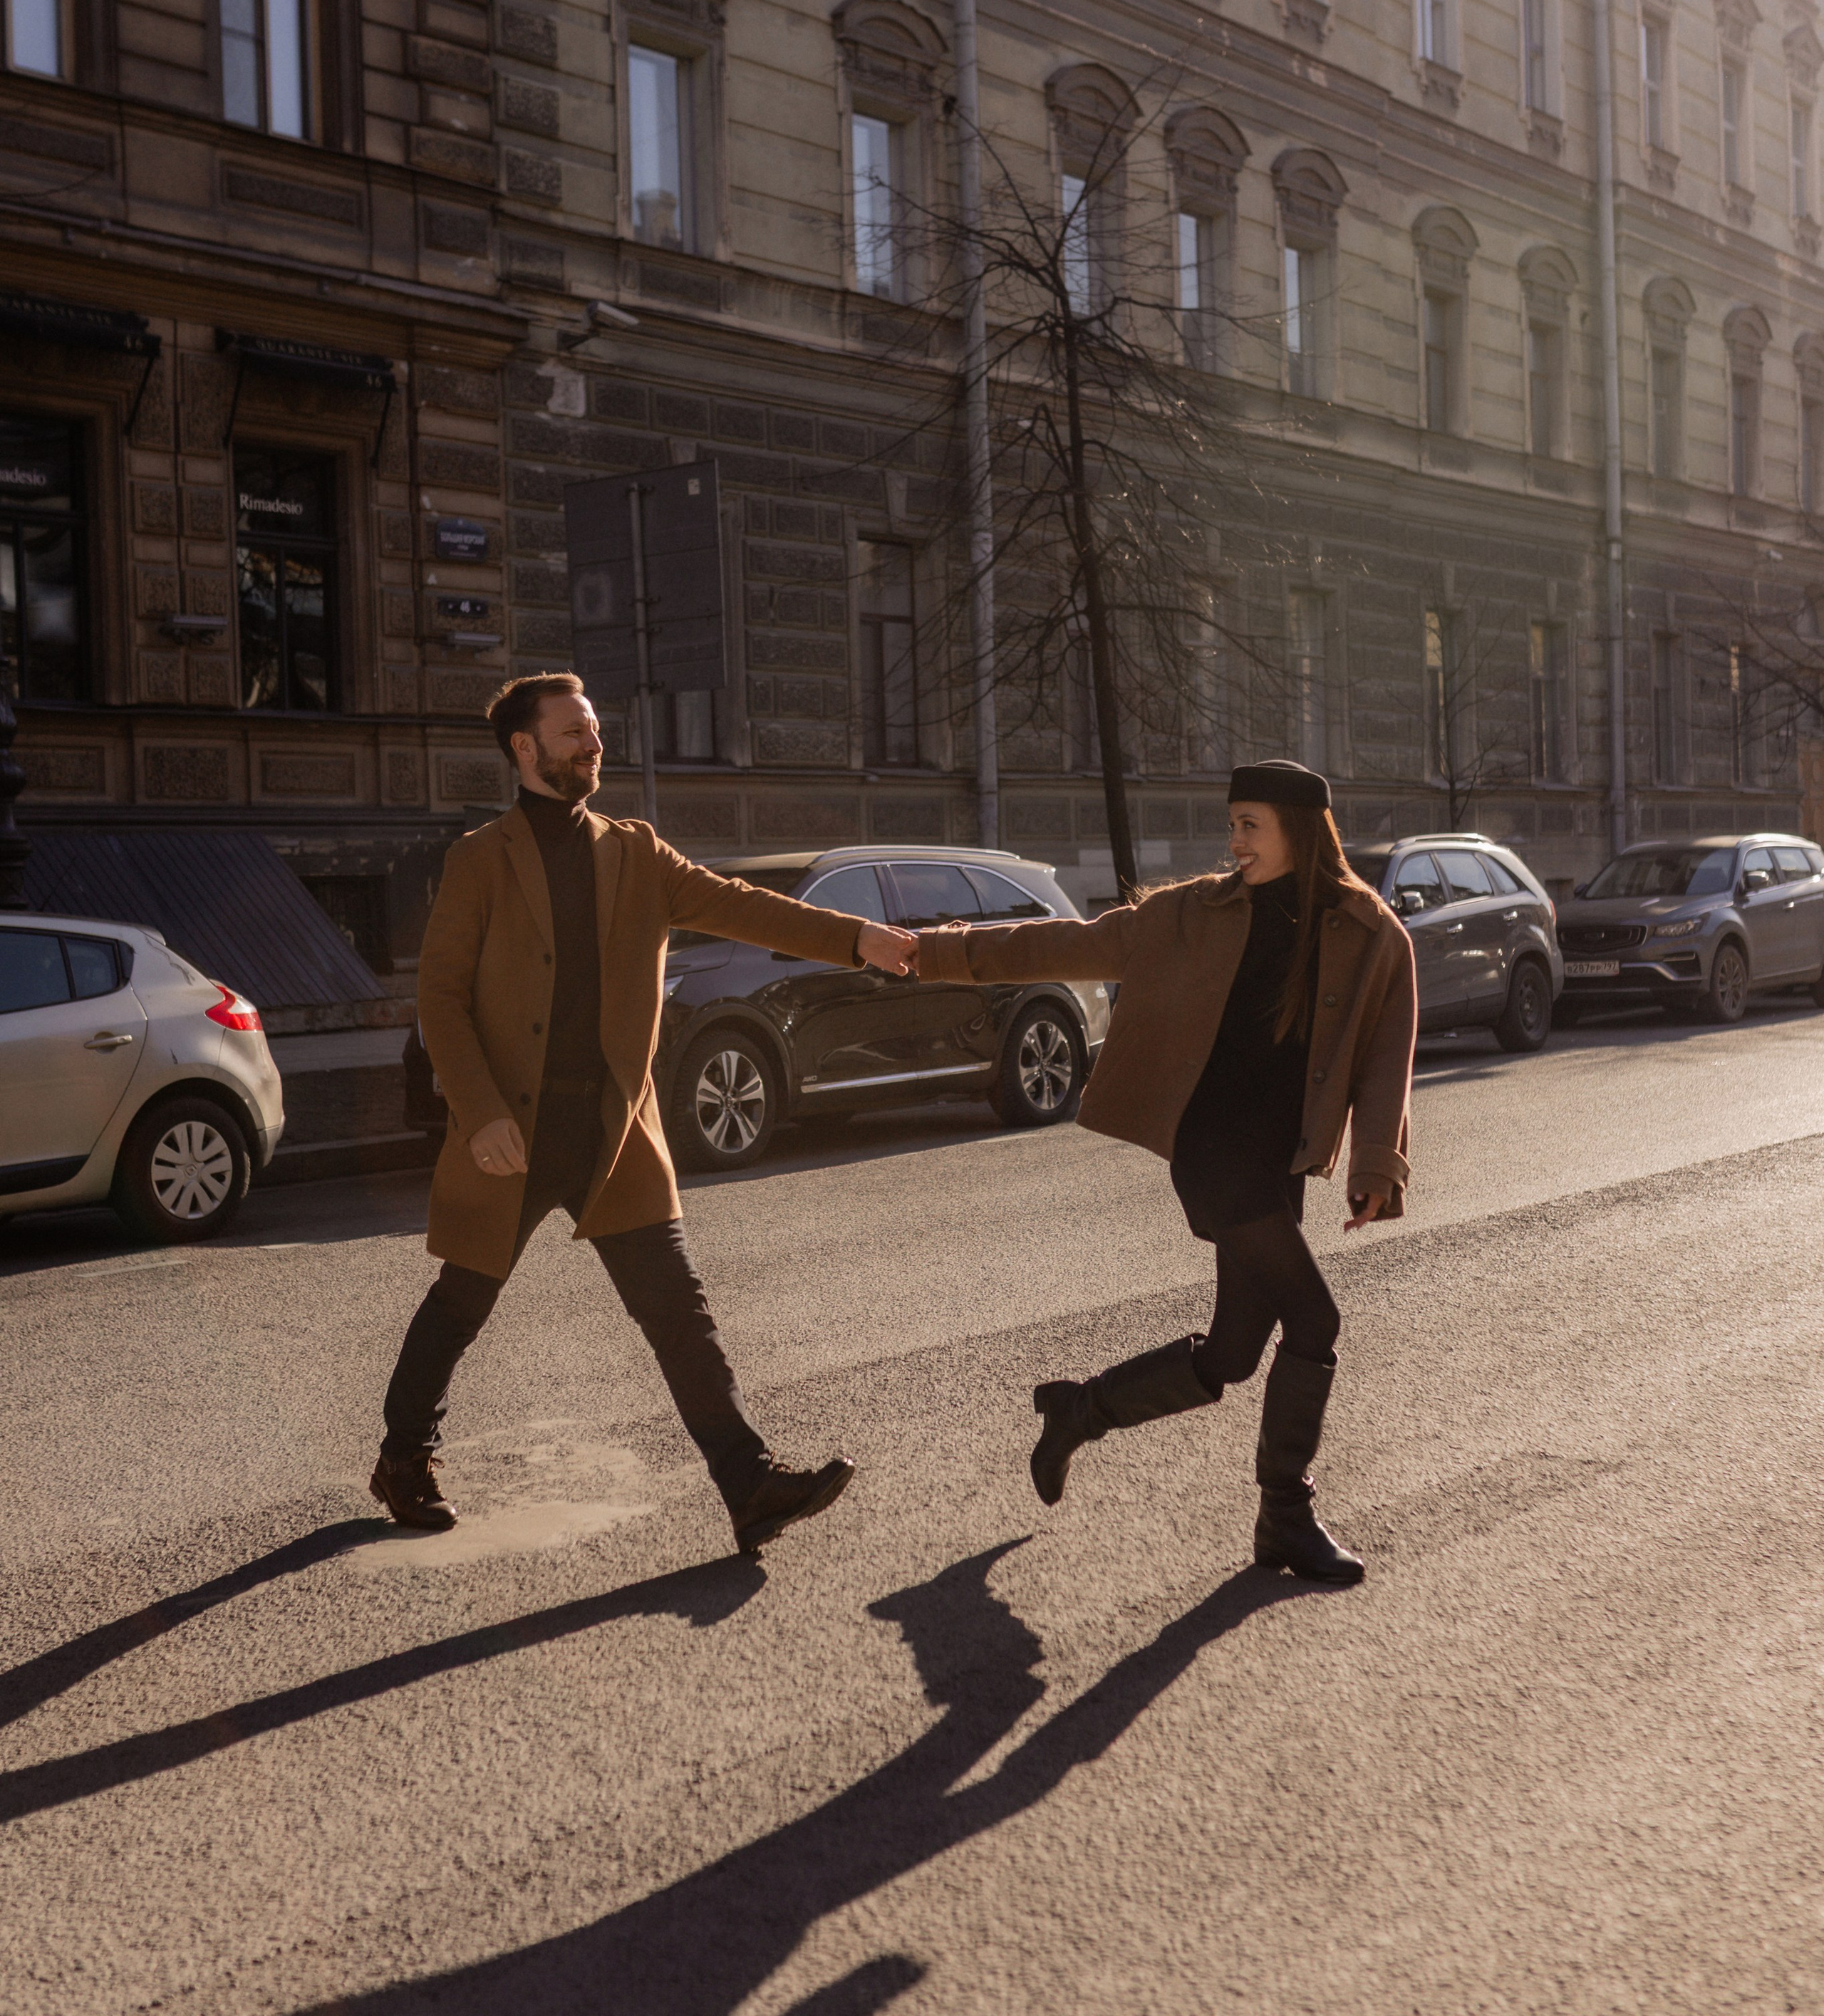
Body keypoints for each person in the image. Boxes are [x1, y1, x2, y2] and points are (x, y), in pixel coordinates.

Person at [370, 670, 919, 1555]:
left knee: (677, 1311)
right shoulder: (479, 860)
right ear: (525, 748)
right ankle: (403, 1458)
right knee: (461, 1302)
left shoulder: (635, 851)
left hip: (611, 1131)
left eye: (594, 729)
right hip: (512, 1130)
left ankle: (747, 1483)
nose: (594, 744)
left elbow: (742, 905)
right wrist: (478, 1114)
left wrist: (855, 938)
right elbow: (441, 999)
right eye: (574, 732)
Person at [912, 760, 1416, 1583]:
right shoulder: (1190, 913)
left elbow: (1387, 1055)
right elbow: (1067, 943)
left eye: (1250, 825)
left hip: (1275, 1159)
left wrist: (1376, 1165)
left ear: (1298, 829)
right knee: (1315, 1321)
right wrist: (932, 952)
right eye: (1232, 824)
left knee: (1233, 1352)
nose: (1234, 841)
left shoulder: (1369, 931)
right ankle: (1285, 1517)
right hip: (1213, 1150)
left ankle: (1077, 1410)